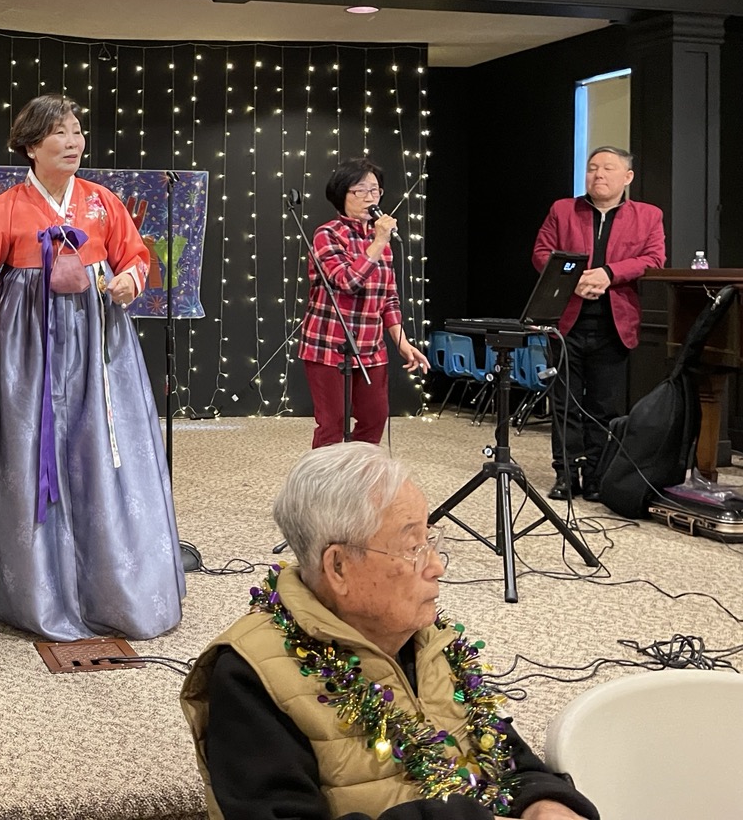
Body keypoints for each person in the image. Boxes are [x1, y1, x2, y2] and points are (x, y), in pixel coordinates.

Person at [180, 443, 599, 820]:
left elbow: (510, 761)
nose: (436, 566)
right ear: (338, 566)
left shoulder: (428, 640)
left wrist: (546, 803)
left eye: (430, 539)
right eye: (413, 547)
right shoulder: (251, 675)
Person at [0, 93, 185, 642]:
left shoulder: (101, 201)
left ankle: (111, 582)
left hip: (98, 347)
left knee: (101, 452)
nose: (74, 142)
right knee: (28, 456)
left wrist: (128, 281)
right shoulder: (5, 207)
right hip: (28, 349)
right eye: (60, 134)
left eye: (77, 132)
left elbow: (137, 256)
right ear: (30, 145)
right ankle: (34, 586)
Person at [532, 146, 666, 501]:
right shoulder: (563, 210)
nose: (598, 175)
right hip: (566, 322)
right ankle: (565, 473)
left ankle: (595, 474)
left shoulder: (649, 215)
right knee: (565, 404)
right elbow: (541, 252)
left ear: (628, 177)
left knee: (604, 408)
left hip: (614, 323)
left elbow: (654, 259)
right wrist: (572, 278)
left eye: (607, 168)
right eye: (592, 168)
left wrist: (609, 274)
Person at [298, 158, 427, 449]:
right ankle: (324, 490)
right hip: (328, 345)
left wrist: (402, 342)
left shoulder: (381, 241)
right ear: (342, 194)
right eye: (361, 190)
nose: (371, 197)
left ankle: (357, 484)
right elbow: (347, 281)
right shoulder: (327, 234)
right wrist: (379, 240)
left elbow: (389, 297)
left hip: (371, 347)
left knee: (375, 419)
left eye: (376, 190)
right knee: (332, 425)